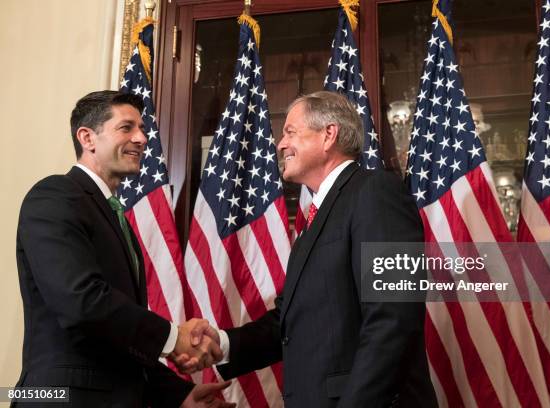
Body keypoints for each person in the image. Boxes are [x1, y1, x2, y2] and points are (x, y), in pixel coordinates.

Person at [182, 91, 437, 407]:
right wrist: (222, 343)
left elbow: (393, 317)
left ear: (329, 134)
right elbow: (289, 324)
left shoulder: (375, 193)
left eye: (290, 132)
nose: (280, 144)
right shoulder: (315, 221)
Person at [14, 90, 231, 407]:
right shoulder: (54, 196)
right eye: (126, 127)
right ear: (87, 138)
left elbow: (116, 341)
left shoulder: (116, 218)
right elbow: (83, 302)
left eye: (142, 129)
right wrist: (174, 338)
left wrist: (180, 394)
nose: (142, 138)